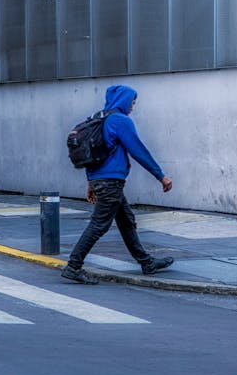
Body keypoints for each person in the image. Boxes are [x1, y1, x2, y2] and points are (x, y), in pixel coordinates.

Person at [62, 84, 174, 285]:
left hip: (101, 180)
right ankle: (73, 266)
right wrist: (160, 176)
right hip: (111, 182)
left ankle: (146, 262)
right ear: (124, 100)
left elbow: (91, 154)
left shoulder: (98, 118)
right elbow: (138, 150)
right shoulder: (120, 121)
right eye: (132, 101)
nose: (133, 106)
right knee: (99, 224)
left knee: (126, 221)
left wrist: (90, 182)